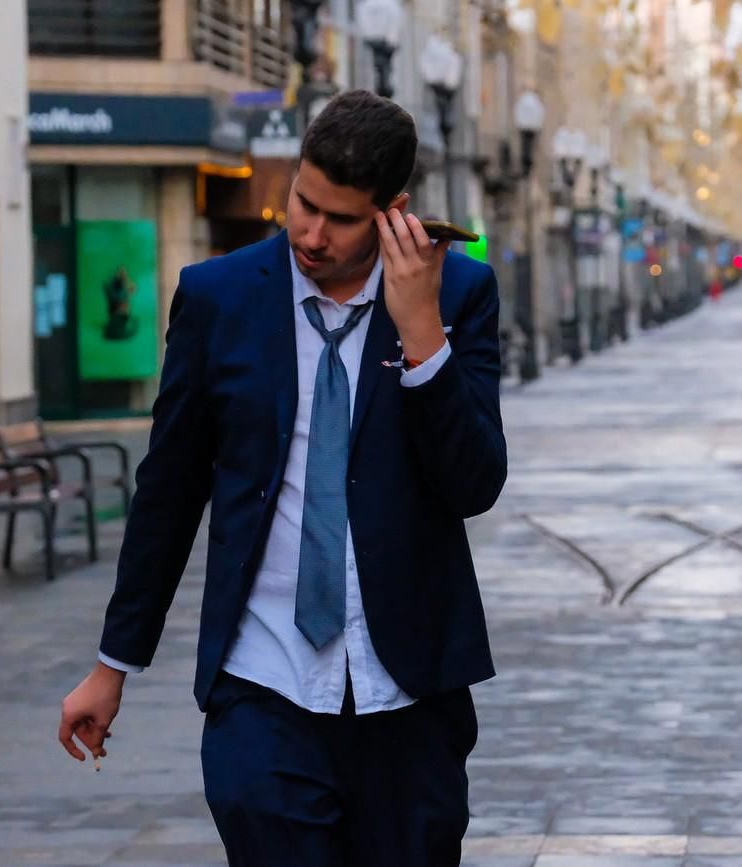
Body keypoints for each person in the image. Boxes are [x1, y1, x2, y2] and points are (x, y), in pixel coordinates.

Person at [57, 90, 507, 866]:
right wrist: (112, 664)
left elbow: (474, 484)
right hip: (263, 684)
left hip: (409, 697)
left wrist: (421, 330)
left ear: (392, 212)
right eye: (302, 201)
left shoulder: (459, 295)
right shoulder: (218, 297)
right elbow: (168, 491)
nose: (309, 231)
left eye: (340, 218)